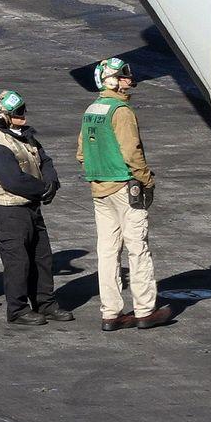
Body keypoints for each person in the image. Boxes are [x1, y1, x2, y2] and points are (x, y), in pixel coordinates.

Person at [77, 57, 169, 332]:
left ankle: (110, 313)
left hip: (99, 189)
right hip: (125, 189)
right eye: (124, 75)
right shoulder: (121, 111)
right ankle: (145, 310)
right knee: (138, 249)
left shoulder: (91, 110)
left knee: (107, 251)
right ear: (112, 81)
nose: (129, 79)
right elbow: (132, 153)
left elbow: (81, 154)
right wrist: (147, 180)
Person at [0, 90, 71, 326]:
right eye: (18, 112)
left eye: (23, 110)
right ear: (3, 116)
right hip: (10, 211)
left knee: (42, 257)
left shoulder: (27, 137)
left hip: (31, 207)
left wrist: (51, 182)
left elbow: (46, 161)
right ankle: (18, 309)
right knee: (18, 262)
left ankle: (44, 303)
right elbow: (13, 181)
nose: (23, 114)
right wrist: (43, 189)